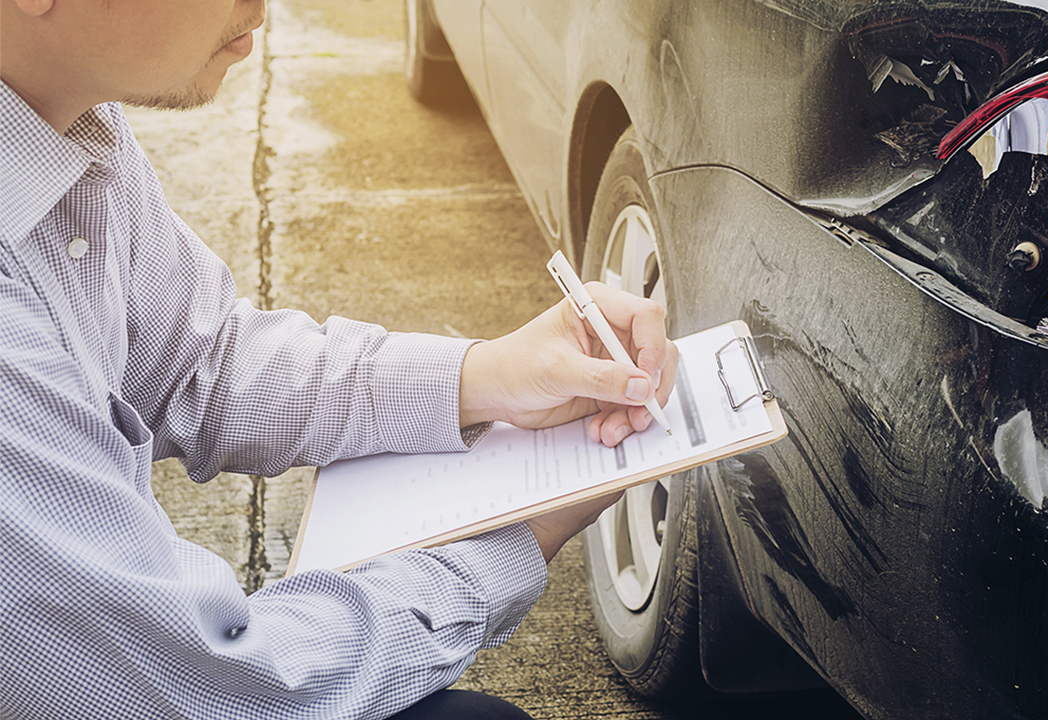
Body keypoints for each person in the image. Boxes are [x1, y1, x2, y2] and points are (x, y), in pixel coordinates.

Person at [0, 0, 679, 717]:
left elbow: (203, 362)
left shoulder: (70, 126)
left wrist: (486, 376)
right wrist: (511, 541)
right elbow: (214, 688)